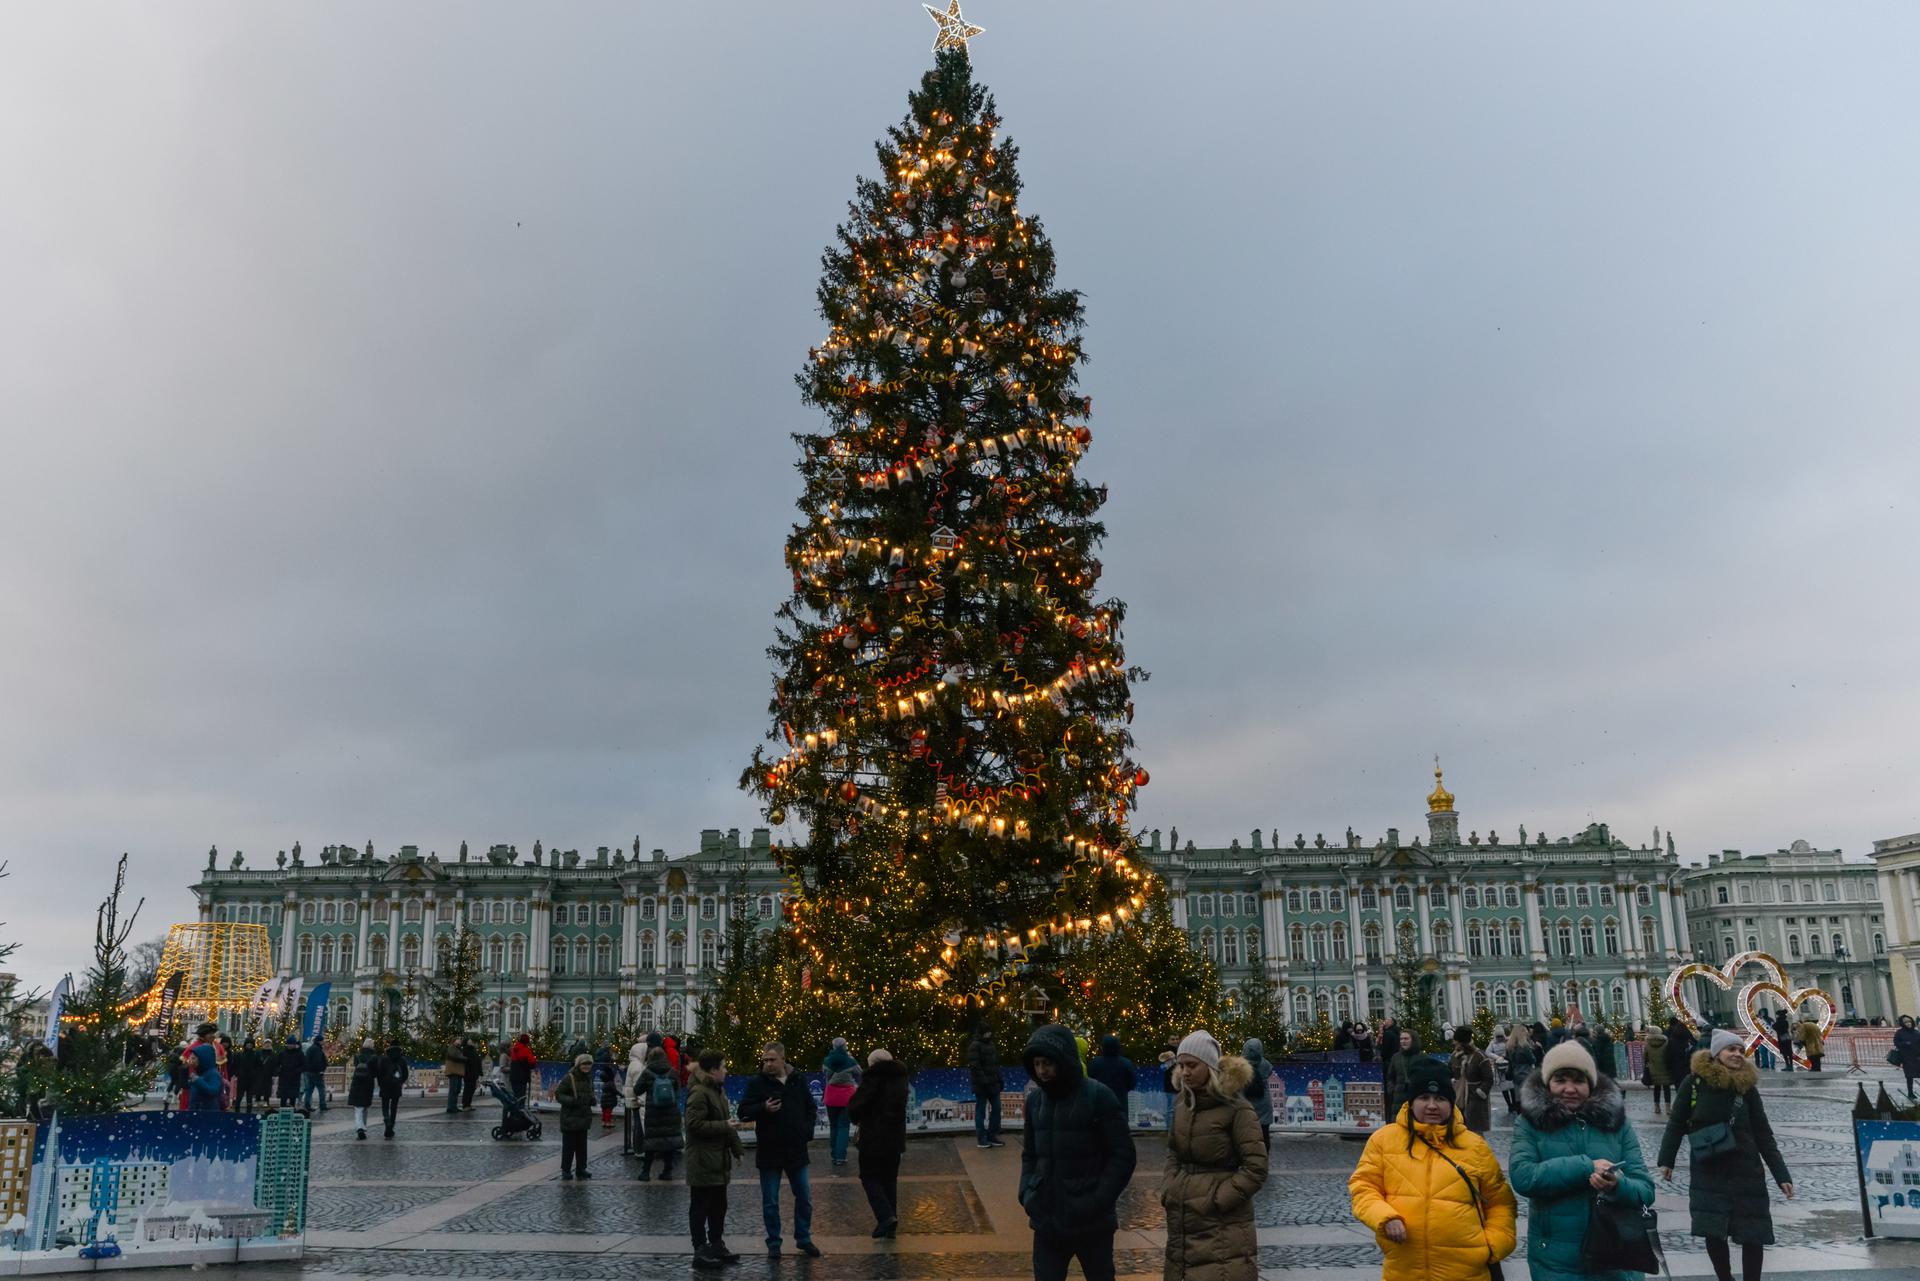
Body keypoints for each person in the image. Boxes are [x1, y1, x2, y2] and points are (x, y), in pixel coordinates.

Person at [1348, 1054, 1517, 1281]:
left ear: (1450, 1102)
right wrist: (1385, 1217)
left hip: (1466, 1271)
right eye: (1424, 1097)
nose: (1431, 1106)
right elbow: (1363, 1188)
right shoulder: (1383, 1140)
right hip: (1405, 1269)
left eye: (1439, 1098)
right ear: (1411, 1102)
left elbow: (1500, 1203)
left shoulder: (1474, 1146)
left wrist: (1492, 1246)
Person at [1511, 1040, 1655, 1281]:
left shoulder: (1617, 1124)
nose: (1569, 1088)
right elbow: (1523, 1177)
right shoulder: (1530, 1123)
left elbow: (1645, 1190)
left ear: (1591, 1084)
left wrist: (1618, 1184)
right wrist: (1585, 1166)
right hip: (1556, 1262)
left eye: (1578, 1080)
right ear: (1548, 1084)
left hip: (1616, 1258)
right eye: (1560, 1080)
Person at [1657, 1031, 1794, 1281]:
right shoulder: (1695, 1083)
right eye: (1731, 1049)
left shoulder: (1747, 1087)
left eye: (1741, 1050)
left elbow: (1763, 1134)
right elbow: (1676, 1122)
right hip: (1709, 1166)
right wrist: (1667, 1160)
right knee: (1714, 1228)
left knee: (1754, 1231)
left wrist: (1781, 1175)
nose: (1737, 1055)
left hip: (1747, 1169)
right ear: (1717, 1053)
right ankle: (1725, 1278)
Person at [1019, 1023, 1136, 1281]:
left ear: (1064, 1061)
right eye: (1037, 1064)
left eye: (1047, 1063)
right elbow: (1029, 1155)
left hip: (1092, 1223)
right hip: (1047, 1219)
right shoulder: (1035, 1102)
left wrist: (1097, 1201)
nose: (1042, 1071)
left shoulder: (1098, 1096)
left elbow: (1123, 1155)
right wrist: (1027, 1193)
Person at [1163, 1030, 1268, 1281]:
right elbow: (1173, 1152)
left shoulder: (1237, 1108)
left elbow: (1256, 1167)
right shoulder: (1182, 1104)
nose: (1185, 1072)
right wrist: (1170, 1187)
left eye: (1192, 1065)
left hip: (1223, 1225)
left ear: (1208, 1066)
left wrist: (1217, 1200)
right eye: (1181, 1065)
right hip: (1182, 1219)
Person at [738, 1041, 822, 1257]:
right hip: (769, 1149)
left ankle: (803, 1238)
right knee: (770, 1201)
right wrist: (763, 1109)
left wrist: (806, 1131)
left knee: (804, 1196)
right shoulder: (757, 1083)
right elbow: (743, 1111)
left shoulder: (797, 1080)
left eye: (772, 1060)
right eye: (765, 1060)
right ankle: (774, 1242)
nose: (768, 1064)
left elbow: (811, 1108)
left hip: (796, 1148)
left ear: (783, 1059)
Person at [685, 1049, 746, 1270]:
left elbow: (725, 1122)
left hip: (717, 1160)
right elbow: (693, 1125)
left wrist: (736, 1148)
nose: (726, 1070)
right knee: (700, 1206)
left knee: (719, 1206)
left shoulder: (717, 1090)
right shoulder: (700, 1092)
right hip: (702, 1160)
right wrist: (724, 1127)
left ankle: (717, 1244)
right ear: (713, 1070)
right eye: (723, 1066)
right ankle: (700, 1249)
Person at [848, 1047, 910, 1238]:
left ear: (872, 1064)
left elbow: (857, 1105)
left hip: (873, 1137)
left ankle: (885, 1217)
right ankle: (889, 1223)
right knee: (889, 1180)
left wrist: (855, 1114)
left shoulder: (873, 1078)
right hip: (895, 1138)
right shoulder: (901, 1079)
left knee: (869, 1177)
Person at [633, 1042, 685, 1181]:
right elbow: (678, 1090)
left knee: (651, 1142)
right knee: (669, 1142)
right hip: (670, 1111)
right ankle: (667, 1171)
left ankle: (645, 1172)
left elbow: (637, 1089)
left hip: (653, 1112)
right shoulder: (672, 1072)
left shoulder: (647, 1072)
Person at [555, 1052, 596, 1181]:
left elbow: (589, 1093)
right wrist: (571, 1101)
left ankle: (581, 1169)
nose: (587, 1066)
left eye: (589, 1064)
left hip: (583, 1116)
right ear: (579, 1065)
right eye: (584, 1063)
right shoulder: (570, 1077)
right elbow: (559, 1094)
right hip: (570, 1117)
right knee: (569, 1146)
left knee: (582, 1146)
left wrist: (591, 1099)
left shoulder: (588, 1078)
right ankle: (566, 1170)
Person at [822, 1037, 862, 1167]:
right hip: (846, 1098)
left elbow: (827, 1077)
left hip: (831, 1096)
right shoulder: (851, 1061)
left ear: (833, 1047)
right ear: (845, 1046)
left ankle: (834, 1156)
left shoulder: (827, 1061)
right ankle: (841, 1157)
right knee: (843, 1126)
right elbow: (860, 1075)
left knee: (833, 1126)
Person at [1449, 1027, 1495, 1135]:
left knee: (1475, 1132)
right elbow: (1451, 1073)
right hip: (1458, 1097)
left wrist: (1479, 1093)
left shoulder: (1480, 1056)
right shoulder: (1455, 1056)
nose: (1455, 1044)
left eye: (1457, 1042)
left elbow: (1488, 1079)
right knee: (1459, 1130)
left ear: (1462, 1042)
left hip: (1475, 1100)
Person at [966, 1026, 1005, 1148]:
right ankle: (981, 1138)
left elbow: (995, 1064)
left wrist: (999, 1080)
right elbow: (975, 1066)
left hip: (993, 1083)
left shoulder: (991, 1045)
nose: (990, 1034)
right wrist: (984, 1080)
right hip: (981, 1085)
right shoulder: (975, 1046)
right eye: (988, 1032)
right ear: (983, 1033)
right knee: (980, 1111)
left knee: (997, 1109)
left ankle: (992, 1135)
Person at [1087, 1035, 1136, 1118]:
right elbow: (1132, 1082)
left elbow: (1090, 1080)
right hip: (1120, 1103)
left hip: (1099, 1104)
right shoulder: (1126, 1063)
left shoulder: (1095, 1063)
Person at [1241, 1038, 1275, 1151]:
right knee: (1264, 1137)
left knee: (1247, 1138)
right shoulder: (1265, 1065)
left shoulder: (1241, 1066)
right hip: (1264, 1106)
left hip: (1248, 1107)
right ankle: (1264, 1159)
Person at [378, 1038, 410, 1139]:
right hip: (396, 1085)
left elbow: (379, 1072)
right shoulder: (402, 1059)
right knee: (394, 1107)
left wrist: (381, 1084)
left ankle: (387, 1120)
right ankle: (391, 1125)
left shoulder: (384, 1058)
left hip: (385, 1085)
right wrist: (400, 1082)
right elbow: (405, 1074)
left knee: (385, 1106)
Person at [348, 1039, 379, 1139]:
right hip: (368, 1084)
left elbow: (356, 1067)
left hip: (357, 1083)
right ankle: (363, 1127)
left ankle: (359, 1128)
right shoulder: (374, 1058)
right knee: (365, 1107)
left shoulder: (357, 1056)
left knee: (358, 1108)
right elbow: (375, 1073)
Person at [1385, 1031, 1420, 1115]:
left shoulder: (1422, 1057)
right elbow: (1390, 1076)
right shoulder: (1396, 1057)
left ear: (1413, 1040)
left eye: (1406, 1039)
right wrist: (1392, 1089)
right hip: (1398, 1098)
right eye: (1401, 1039)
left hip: (1415, 1097)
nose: (1403, 1041)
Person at [1644, 1022, 1674, 1115]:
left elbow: (1645, 1058)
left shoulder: (1647, 1044)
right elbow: (1669, 1055)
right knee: (1666, 1089)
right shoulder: (1666, 1042)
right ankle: (1668, 1108)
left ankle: (1657, 1107)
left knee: (1656, 1089)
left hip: (1653, 1070)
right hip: (1665, 1069)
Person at [187, 1042, 225, 1111]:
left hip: (208, 1114)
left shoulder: (213, 1074)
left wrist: (198, 1081)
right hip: (197, 1112)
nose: (191, 1061)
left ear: (203, 1058)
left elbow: (213, 1091)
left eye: (194, 1058)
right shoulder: (200, 1072)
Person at [509, 1031, 537, 1110]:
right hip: (522, 1077)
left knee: (515, 1095)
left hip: (513, 1077)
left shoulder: (514, 1049)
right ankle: (520, 1113)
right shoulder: (526, 1050)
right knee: (521, 1096)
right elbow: (532, 1063)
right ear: (527, 1042)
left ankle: (514, 1112)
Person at [1894, 1015, 1920, 1099]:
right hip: (1907, 1058)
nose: (1908, 1023)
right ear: (1902, 1023)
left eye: (1909, 1021)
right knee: (1909, 1076)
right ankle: (1910, 1092)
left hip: (1917, 1057)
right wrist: (1904, 1043)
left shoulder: (1916, 1032)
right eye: (1905, 1022)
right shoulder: (1899, 1033)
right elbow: (1896, 1043)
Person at [301, 1035, 329, 1112]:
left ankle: (307, 1105)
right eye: (323, 1040)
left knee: (309, 1090)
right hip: (316, 1072)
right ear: (320, 1041)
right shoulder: (317, 1049)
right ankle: (322, 1105)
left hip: (309, 1071)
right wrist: (320, 1071)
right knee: (321, 1089)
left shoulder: (311, 1048)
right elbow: (317, 1061)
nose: (323, 1042)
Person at [276, 1036, 304, 1109]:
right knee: (283, 1098)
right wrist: (279, 1071)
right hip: (284, 1078)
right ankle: (282, 1112)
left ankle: (292, 1111)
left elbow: (304, 1065)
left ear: (294, 1045)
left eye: (292, 1044)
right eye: (289, 1044)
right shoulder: (282, 1053)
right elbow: (277, 1064)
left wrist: (297, 1071)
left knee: (292, 1097)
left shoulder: (299, 1054)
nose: (290, 1046)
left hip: (294, 1079)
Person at [442, 1036, 467, 1115]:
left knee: (457, 1090)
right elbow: (455, 1056)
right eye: (458, 1039)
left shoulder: (458, 1048)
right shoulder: (452, 1048)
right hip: (453, 1071)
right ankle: (451, 1107)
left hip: (458, 1072)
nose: (460, 1040)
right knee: (453, 1090)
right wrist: (465, 1058)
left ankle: (454, 1106)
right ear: (454, 1041)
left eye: (460, 1039)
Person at [462, 1036, 483, 1109]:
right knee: (468, 1089)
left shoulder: (473, 1050)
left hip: (474, 1073)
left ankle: (468, 1104)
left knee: (472, 1089)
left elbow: (477, 1061)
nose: (471, 1041)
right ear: (466, 1042)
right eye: (469, 1040)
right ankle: (465, 1105)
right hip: (468, 1073)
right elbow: (467, 1062)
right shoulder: (465, 1051)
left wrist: (480, 1072)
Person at [1770, 1009, 1793, 1074]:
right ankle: (1791, 1065)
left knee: (1784, 1052)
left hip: (1782, 1037)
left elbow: (1774, 1027)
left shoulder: (1778, 1021)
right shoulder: (1786, 1021)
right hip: (1787, 1036)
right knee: (1789, 1052)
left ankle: (1787, 1065)